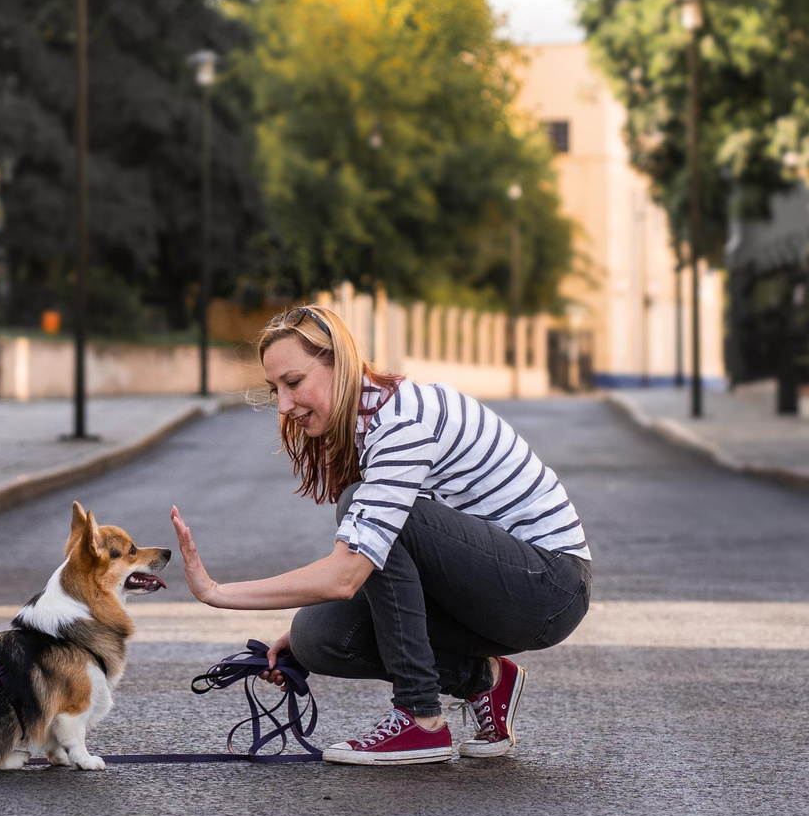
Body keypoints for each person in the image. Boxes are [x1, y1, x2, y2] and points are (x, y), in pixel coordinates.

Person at [168, 304, 592, 765]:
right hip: (495, 590)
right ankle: (485, 681)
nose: (285, 405)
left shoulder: (401, 421)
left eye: (294, 382)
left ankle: (420, 719)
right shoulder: (372, 420)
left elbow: (346, 575)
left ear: (340, 364)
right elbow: (381, 569)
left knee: (369, 512)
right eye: (276, 390)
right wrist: (296, 634)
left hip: (548, 587)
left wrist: (216, 592)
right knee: (318, 636)